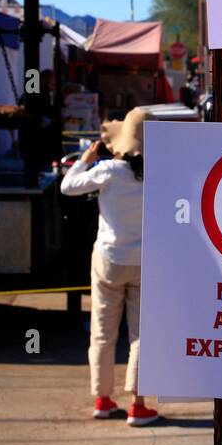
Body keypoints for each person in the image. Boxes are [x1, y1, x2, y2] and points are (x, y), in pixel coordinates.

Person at [60, 107, 158, 424]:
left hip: (109, 259)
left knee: (103, 333)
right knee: (140, 335)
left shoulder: (109, 171)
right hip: (145, 262)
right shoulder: (161, 172)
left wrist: (86, 157)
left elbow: (68, 186)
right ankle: (138, 404)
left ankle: (103, 399)